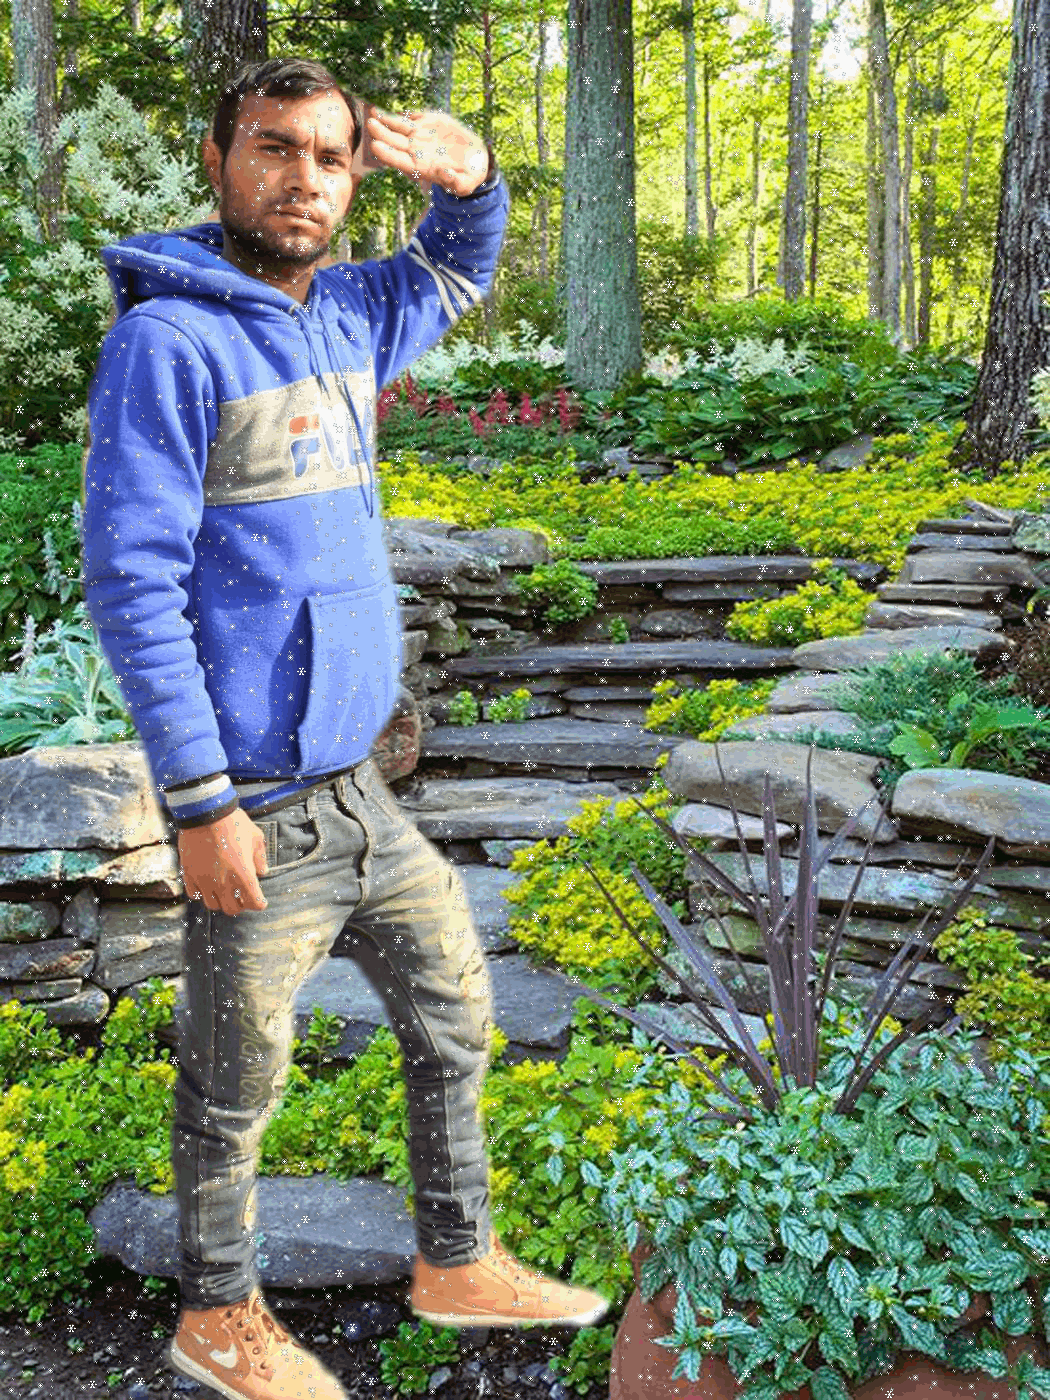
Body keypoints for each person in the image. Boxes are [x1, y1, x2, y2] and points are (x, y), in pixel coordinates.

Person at [80, 56, 609, 1400]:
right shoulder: (168, 344)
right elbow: (132, 584)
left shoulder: (350, 315)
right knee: (232, 1086)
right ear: (219, 161)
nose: (304, 178)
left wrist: (473, 178)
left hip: (361, 794)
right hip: (255, 806)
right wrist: (200, 804)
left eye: (330, 157)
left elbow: (459, 262)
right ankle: (218, 1317)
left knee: (454, 1015)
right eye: (274, 148)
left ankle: (456, 1260)